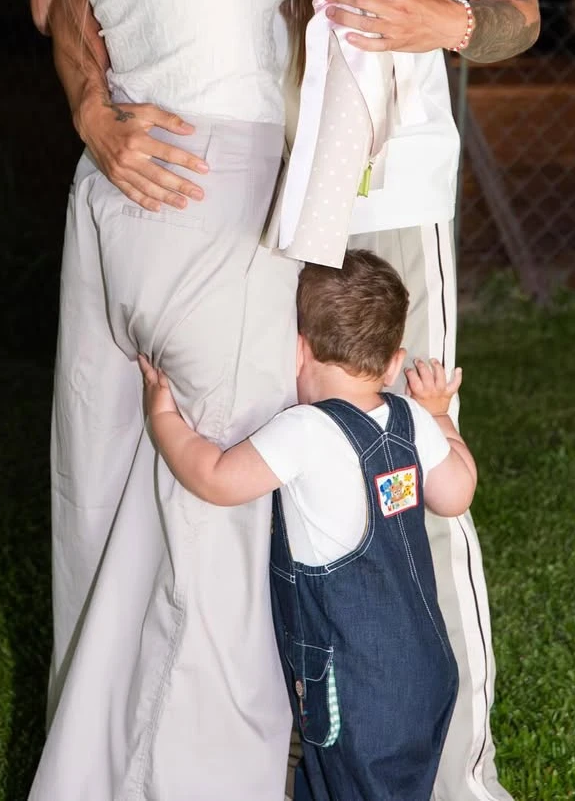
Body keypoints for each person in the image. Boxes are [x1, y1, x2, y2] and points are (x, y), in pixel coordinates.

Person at [38, 0, 539, 801]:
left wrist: (442, 21)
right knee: (269, 501)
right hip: (259, 208)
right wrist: (94, 106)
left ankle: (452, 772)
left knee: (406, 487)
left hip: (383, 198)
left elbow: (519, 10)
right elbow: (75, 1)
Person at [25, 0, 403, 801]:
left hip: (112, 188)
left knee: (99, 507)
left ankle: (84, 774)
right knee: (220, 536)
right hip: (209, 182)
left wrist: (93, 112)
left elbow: (53, 2)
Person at [138, 249, 479, 801]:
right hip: (427, 669)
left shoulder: (304, 430)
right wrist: (440, 414)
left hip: (355, 687)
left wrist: (163, 418)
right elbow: (457, 494)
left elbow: (217, 479)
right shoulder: (411, 418)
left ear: (296, 350)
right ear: (393, 363)